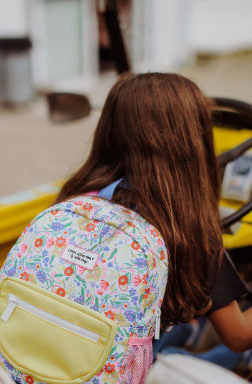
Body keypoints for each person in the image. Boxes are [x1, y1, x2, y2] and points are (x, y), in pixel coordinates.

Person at [55, 72, 252, 358]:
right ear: (193, 143)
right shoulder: (188, 235)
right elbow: (240, 335)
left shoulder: (75, 200)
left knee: (168, 329)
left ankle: (188, 329)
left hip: (54, 357)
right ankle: (196, 337)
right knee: (225, 354)